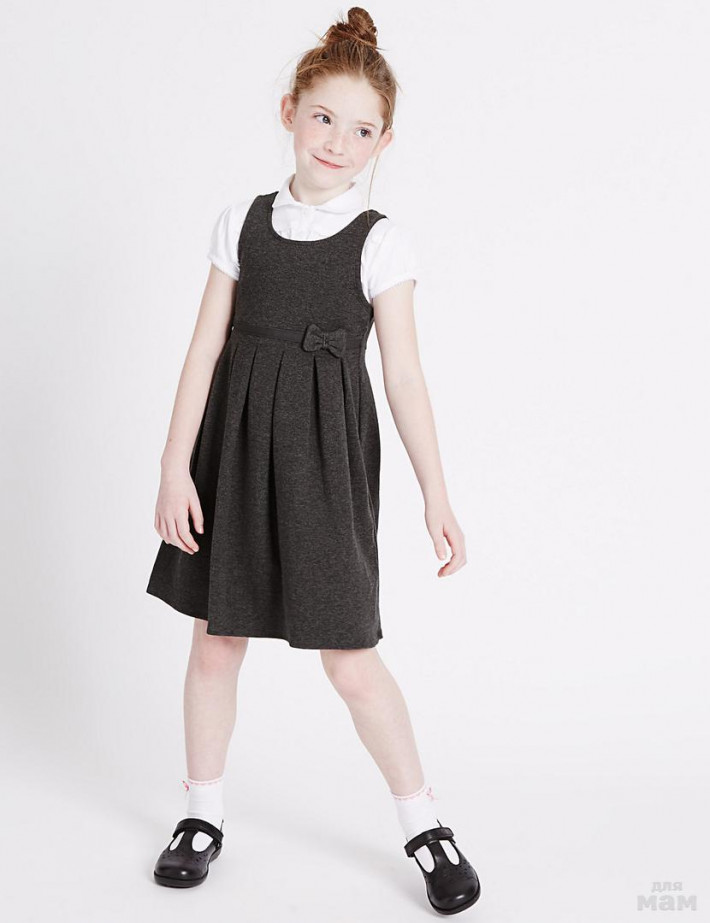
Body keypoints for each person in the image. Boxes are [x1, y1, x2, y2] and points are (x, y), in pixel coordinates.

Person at [146, 7, 481, 914]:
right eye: (324, 117)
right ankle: (201, 814)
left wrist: (436, 493)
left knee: (351, 659)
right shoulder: (241, 222)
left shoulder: (381, 240)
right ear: (290, 111)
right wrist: (175, 465)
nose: (338, 141)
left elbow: (403, 375)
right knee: (215, 642)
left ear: (385, 142)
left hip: (326, 463)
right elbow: (203, 348)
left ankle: (424, 824)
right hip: (233, 450)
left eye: (362, 130)